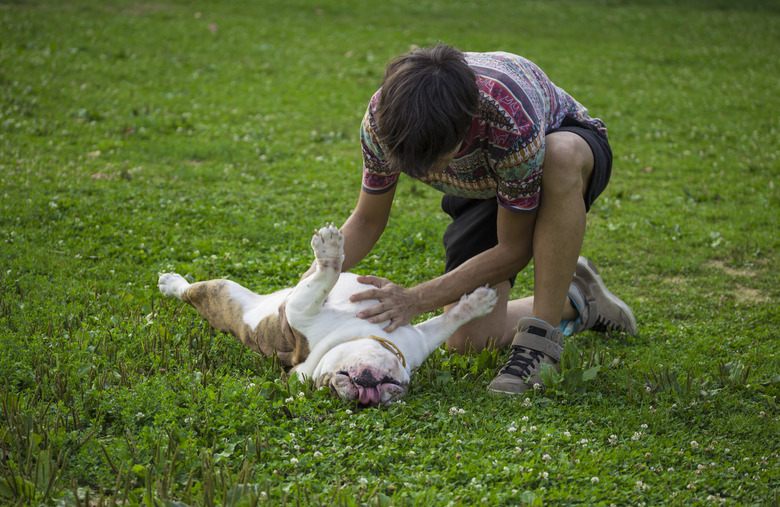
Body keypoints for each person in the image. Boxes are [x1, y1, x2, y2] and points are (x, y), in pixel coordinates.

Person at [286, 44, 636, 395]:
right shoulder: (383, 118)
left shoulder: (509, 119)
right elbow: (366, 220)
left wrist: (416, 299)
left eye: (435, 160)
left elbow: (513, 248)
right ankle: (579, 298)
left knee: (560, 156)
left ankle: (539, 343)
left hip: (557, 151)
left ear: (466, 129)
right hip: (484, 183)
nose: (422, 173)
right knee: (468, 341)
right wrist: (304, 292)